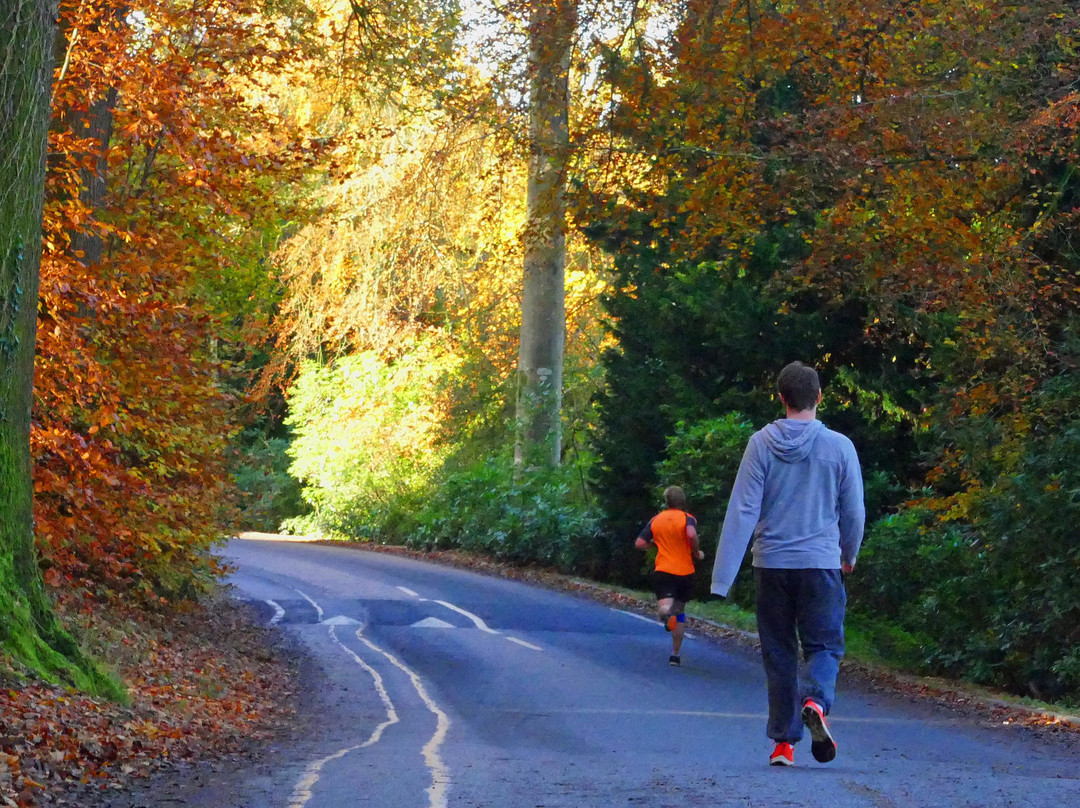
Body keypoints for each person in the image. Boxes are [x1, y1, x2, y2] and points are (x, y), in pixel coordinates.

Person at [710, 361, 865, 767]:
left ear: (781, 399)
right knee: (825, 645)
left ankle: (784, 745)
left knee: (778, 652)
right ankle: (815, 699)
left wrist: (722, 578)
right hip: (820, 564)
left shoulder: (761, 443)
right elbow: (854, 511)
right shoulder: (840, 447)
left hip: (772, 565)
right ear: (819, 397)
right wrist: (849, 554)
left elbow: (743, 508)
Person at [635, 485, 705, 667]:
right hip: (685, 572)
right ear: (683, 501)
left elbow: (640, 543)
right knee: (680, 613)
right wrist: (696, 552)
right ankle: (675, 654)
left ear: (666, 502)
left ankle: (666, 614)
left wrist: (656, 544)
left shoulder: (657, 520)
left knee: (665, 607)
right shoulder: (687, 518)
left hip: (664, 570)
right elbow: (690, 534)